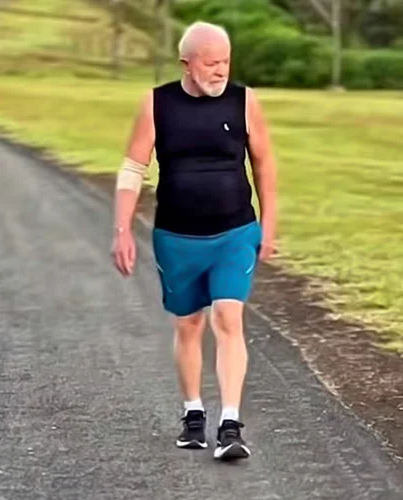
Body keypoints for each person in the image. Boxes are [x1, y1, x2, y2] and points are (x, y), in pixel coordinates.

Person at [110, 20, 278, 461]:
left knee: (228, 318)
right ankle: (193, 414)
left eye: (225, 61)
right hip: (177, 236)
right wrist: (123, 229)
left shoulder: (245, 102)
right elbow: (132, 170)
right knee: (189, 325)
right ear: (187, 63)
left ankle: (230, 425)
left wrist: (270, 223)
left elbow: (264, 165)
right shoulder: (157, 104)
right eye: (211, 62)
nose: (220, 70)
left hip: (235, 231)